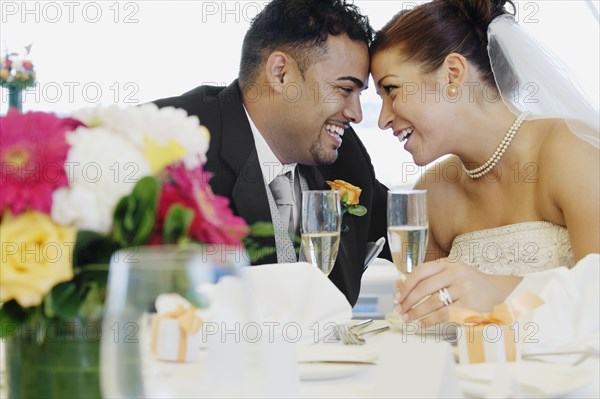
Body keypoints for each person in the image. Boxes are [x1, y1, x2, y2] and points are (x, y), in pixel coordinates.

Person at [369, 0, 600, 325]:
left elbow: (596, 300)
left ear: (453, 73)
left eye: (391, 90)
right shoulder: (432, 193)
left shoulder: (570, 150)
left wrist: (501, 293)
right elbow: (429, 325)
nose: (382, 120)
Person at [154, 0, 390, 306]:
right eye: (345, 89)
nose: (357, 114)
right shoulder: (172, 144)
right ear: (280, 74)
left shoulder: (343, 155)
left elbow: (413, 227)